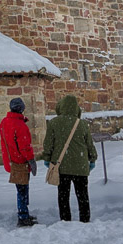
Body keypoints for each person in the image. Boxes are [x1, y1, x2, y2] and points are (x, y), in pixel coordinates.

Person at [40, 94, 97, 223]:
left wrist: (47, 158)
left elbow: (48, 143)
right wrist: (92, 159)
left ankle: (65, 219)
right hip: (80, 166)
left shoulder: (54, 122)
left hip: (61, 166)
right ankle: (85, 218)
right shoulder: (82, 124)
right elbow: (89, 144)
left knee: (63, 195)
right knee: (82, 195)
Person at [0, 97, 38, 226]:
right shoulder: (20, 126)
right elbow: (24, 147)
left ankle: (24, 212)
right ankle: (23, 216)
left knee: (21, 189)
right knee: (22, 190)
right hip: (20, 163)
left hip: (11, 161)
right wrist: (31, 160)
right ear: (21, 108)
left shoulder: (4, 122)